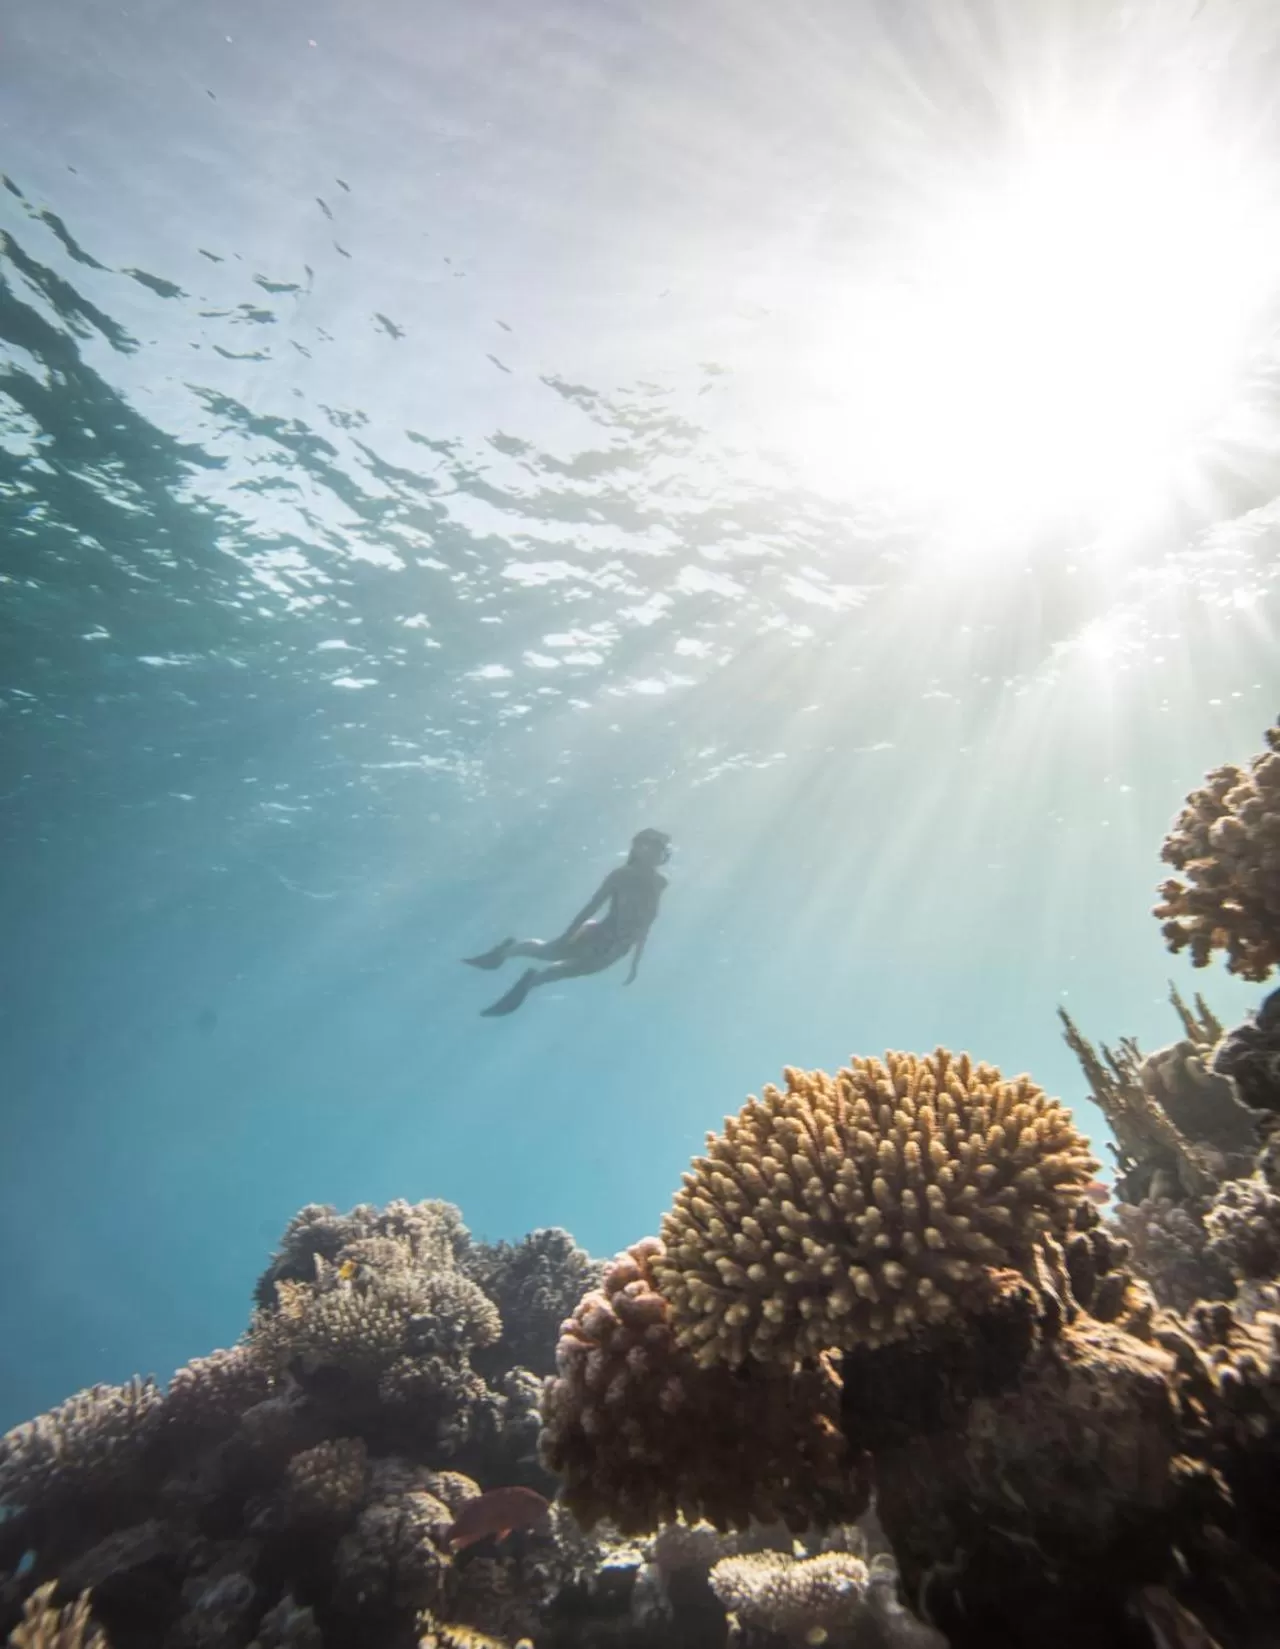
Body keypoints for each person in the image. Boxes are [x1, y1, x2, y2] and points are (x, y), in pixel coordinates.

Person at [463, 828, 671, 1017]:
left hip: (619, 949)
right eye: (649, 846)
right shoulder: (621, 875)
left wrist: (635, 961)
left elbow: (647, 922)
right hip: (600, 937)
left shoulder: (660, 883)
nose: (653, 853)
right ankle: (507, 951)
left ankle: (529, 983)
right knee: (550, 952)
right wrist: (566, 936)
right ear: (638, 849)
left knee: (571, 970)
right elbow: (592, 906)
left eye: (658, 848)